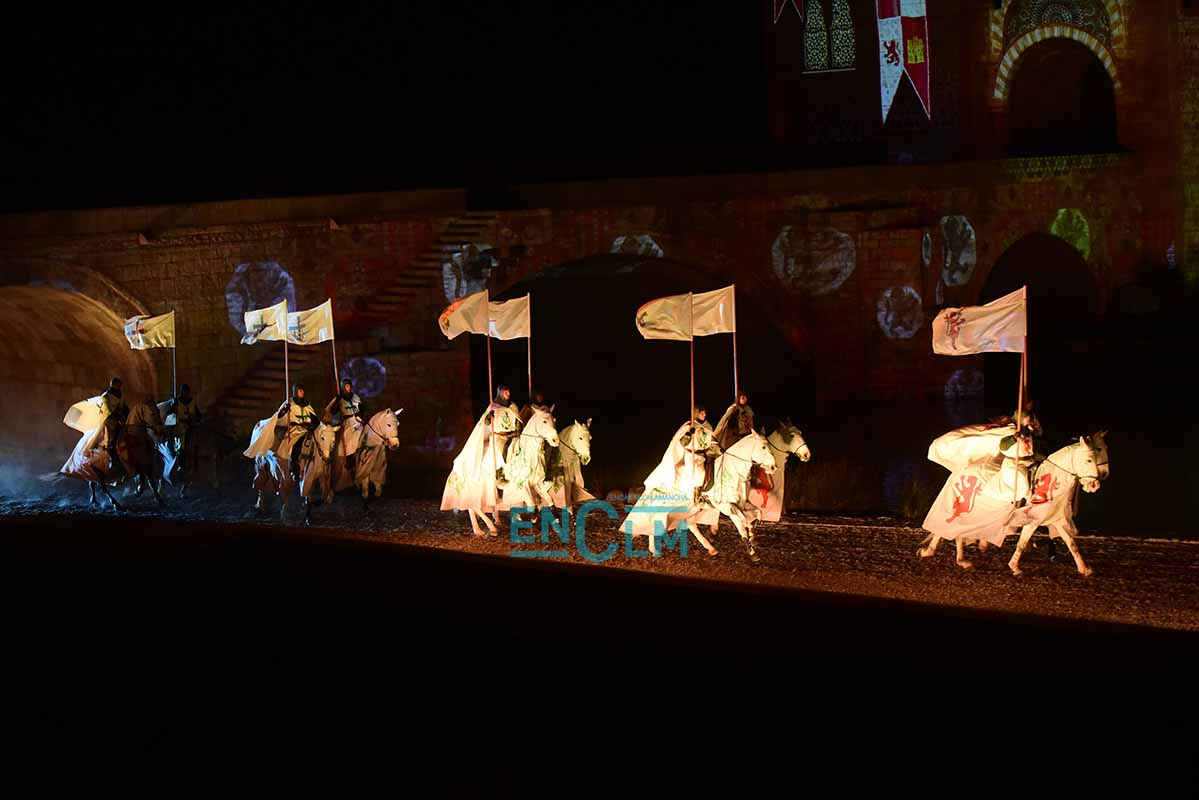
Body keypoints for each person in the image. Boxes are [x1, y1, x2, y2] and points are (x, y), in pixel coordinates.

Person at [278, 383, 319, 483]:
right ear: (295, 392)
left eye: (303, 390)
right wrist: (285, 410)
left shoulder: (307, 404)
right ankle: (295, 468)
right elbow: (279, 416)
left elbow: (315, 419)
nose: (302, 392)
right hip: (296, 430)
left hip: (308, 429)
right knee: (297, 443)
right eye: (300, 391)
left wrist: (312, 425)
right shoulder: (289, 403)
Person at [325, 377, 365, 472]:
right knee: (348, 437)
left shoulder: (355, 397)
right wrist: (337, 403)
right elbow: (332, 411)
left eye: (349, 386)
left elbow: (361, 408)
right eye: (346, 386)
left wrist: (362, 408)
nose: (348, 388)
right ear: (343, 387)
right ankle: (349, 459)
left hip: (358, 419)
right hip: (347, 422)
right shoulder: (339, 399)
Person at [163, 383, 203, 457]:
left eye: (186, 392)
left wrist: (197, 418)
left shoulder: (192, 401)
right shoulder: (177, 401)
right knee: (180, 442)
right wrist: (173, 407)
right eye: (183, 392)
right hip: (180, 427)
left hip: (191, 425)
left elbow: (198, 414)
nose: (185, 394)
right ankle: (180, 454)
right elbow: (169, 412)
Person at [100, 377, 130, 476]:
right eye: (118, 385)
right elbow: (109, 411)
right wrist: (119, 418)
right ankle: (113, 461)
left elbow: (125, 407)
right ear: (114, 385)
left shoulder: (121, 395)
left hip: (121, 421)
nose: (120, 387)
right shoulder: (106, 396)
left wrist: (128, 415)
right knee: (111, 441)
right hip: (110, 422)